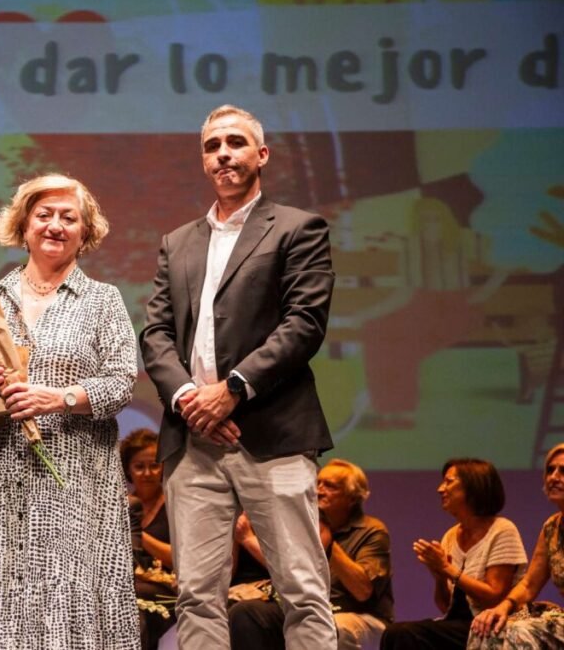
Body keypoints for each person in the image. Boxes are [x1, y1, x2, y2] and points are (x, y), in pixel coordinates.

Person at [140, 103, 337, 648]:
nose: (222, 153)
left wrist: (230, 392)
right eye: (212, 146)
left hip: (271, 433)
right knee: (197, 595)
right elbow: (155, 333)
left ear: (261, 154)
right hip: (193, 438)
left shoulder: (299, 228)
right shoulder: (177, 242)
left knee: (301, 588)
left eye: (234, 142)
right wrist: (188, 400)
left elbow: (305, 324)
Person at [0, 173, 140, 649]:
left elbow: (121, 382)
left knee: (64, 602)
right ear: (23, 226)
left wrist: (58, 397)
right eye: (44, 215)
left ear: (86, 233)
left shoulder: (103, 301)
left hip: (74, 480)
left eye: (69, 218)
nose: (55, 226)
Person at [230, 459, 393, 650]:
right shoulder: (302, 525)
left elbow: (363, 592)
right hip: (309, 607)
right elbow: (290, 574)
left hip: (358, 614)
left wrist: (328, 545)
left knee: (332, 629)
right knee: (248, 612)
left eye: (330, 486)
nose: (319, 490)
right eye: (318, 483)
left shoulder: (371, 530)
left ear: (352, 498)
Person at [380, 458, 528, 649]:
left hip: (493, 626)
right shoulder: (451, 536)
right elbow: (445, 607)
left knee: (402, 634)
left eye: (449, 482)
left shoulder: (502, 530)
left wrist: (447, 569)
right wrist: (440, 577)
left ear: (473, 487)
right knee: (394, 633)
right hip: (462, 625)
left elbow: (494, 597)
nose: (440, 489)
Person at [468, 443, 564, 649]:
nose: (554, 477)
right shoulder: (551, 528)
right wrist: (502, 607)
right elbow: (529, 584)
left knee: (520, 630)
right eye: (550, 470)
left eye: (563, 471)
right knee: (490, 628)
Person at [121, 429, 175, 649]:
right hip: (128, 585)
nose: (147, 473)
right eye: (139, 467)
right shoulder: (119, 506)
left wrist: (137, 535)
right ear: (128, 470)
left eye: (154, 465)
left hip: (168, 589)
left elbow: (179, 558)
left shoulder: (176, 503)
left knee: (135, 608)